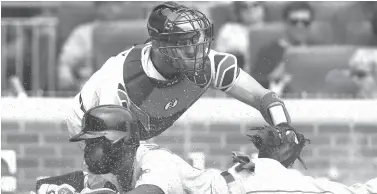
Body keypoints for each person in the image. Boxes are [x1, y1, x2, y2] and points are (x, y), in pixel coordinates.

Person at [5, 105, 377, 194]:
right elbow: (75, 181)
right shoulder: (114, 171)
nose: (88, 148)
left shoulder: (154, 161)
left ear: (119, 141)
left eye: (94, 141)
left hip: (249, 193)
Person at [66, 1, 294, 155]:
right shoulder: (122, 81)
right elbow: (112, 150)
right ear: (159, 45)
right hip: (91, 119)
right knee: (118, 185)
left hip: (136, 129)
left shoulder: (209, 63)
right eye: (185, 43)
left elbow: (263, 97)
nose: (196, 51)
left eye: (199, 41)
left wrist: (284, 128)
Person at [58, 1, 128, 92]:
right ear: (98, 6)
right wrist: (66, 76)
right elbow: (65, 63)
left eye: (116, 3)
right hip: (91, 88)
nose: (111, 8)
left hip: (127, 88)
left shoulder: (134, 33)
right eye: (106, 3)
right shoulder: (83, 32)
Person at [251, 1, 315, 95]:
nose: (299, 26)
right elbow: (254, 83)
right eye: (294, 22)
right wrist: (273, 77)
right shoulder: (268, 51)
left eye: (305, 22)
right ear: (285, 23)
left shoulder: (317, 50)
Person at [215, 1, 266, 71]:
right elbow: (218, 56)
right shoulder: (228, 29)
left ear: (263, 7)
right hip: (237, 72)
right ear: (238, 11)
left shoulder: (273, 30)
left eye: (255, 5)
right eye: (244, 6)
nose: (250, 9)